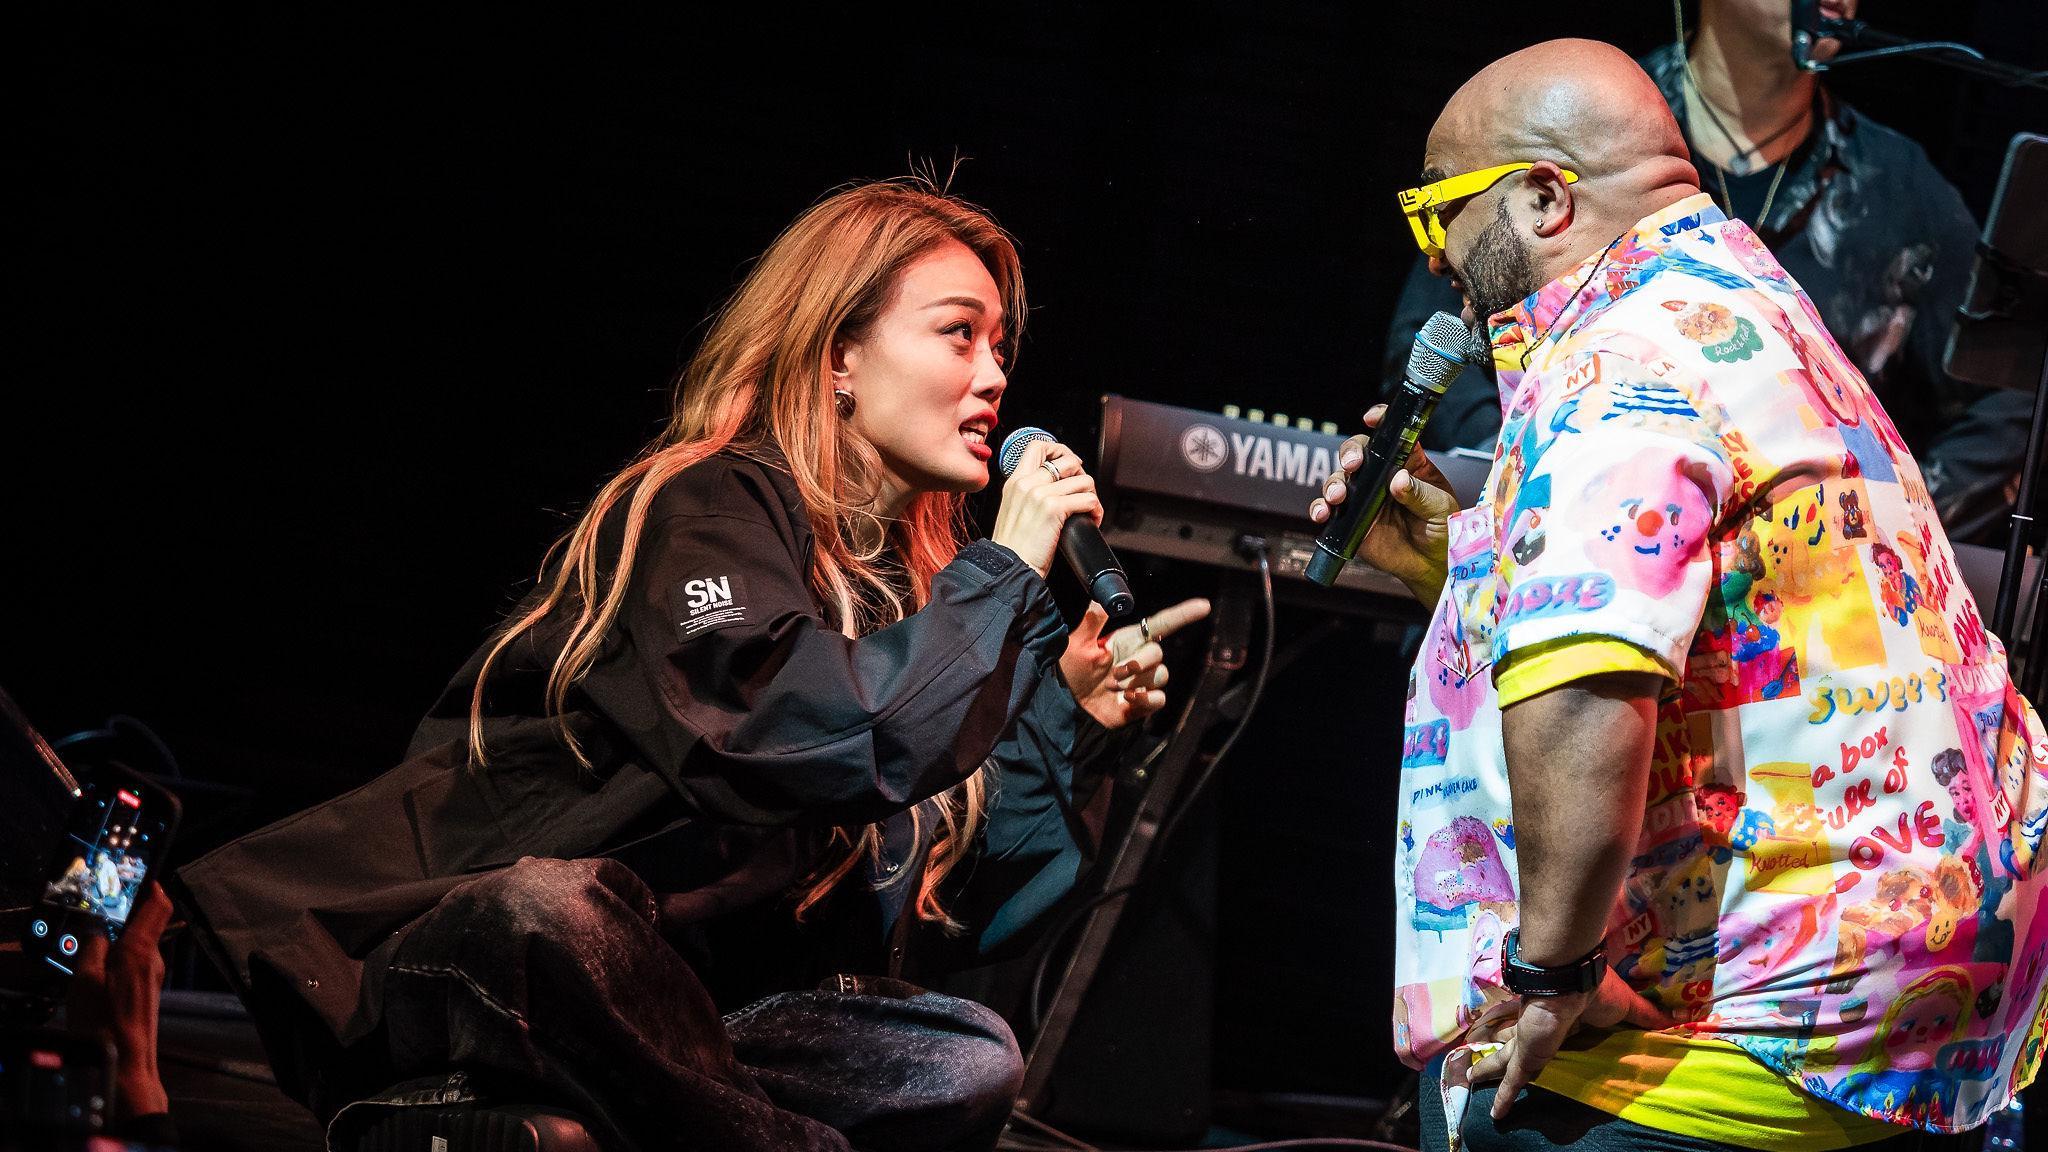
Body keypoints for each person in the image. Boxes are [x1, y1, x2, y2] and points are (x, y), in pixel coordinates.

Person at [171, 178, 1209, 1152]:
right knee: (550, 918)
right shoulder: (705, 505)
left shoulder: (914, 602)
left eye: (999, 346)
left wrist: (1066, 721)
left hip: (699, 1018)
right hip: (501, 943)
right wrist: (1002, 573)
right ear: (838, 356)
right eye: (958, 334)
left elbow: (947, 913)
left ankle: (599, 1113)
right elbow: (783, 731)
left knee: (961, 1056)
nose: (993, 376)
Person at [1313, 38, 2048, 1152]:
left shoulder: (1610, 363)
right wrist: (1450, 578)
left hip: (1777, 1017)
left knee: (1485, 1098)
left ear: (1544, 199)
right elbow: (1723, 639)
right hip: (1926, 996)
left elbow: (1584, 691)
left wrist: (1551, 971)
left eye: (1440, 213)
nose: (1437, 258)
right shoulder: (1743, 309)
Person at [1381, 0, 2032, 544]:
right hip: (1545, 542)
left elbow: (2010, 389)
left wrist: (1883, 521)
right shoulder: (1580, 121)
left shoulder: (1899, 189)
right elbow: (1445, 321)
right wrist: (1540, 484)